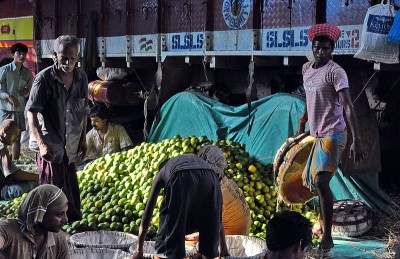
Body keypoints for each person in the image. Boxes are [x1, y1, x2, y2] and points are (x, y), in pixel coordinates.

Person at [296, 23, 365, 250]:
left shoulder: (336, 72)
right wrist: (302, 122)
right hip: (316, 134)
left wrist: (357, 140)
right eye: (318, 48)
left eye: (326, 49)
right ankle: (325, 222)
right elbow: (309, 98)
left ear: (331, 50)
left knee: (321, 181)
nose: (321, 52)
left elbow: (347, 105)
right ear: (312, 48)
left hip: (334, 133)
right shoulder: (307, 69)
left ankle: (328, 237)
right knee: (316, 184)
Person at [26, 35, 88, 222]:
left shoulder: (81, 78)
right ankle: (48, 232)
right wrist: (42, 144)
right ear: (55, 55)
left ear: (78, 57)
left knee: (70, 195)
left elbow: (83, 111)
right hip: (50, 147)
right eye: (63, 58)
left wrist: (83, 139)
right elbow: (32, 113)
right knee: (52, 196)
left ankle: (69, 231)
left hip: (70, 147)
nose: (68, 62)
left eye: (72, 58)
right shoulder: (43, 79)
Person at [132, 145, 229, 259]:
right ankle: (207, 254)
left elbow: (148, 212)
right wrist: (223, 247)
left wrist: (139, 249)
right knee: (209, 217)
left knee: (168, 223)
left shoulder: (163, 172)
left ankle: (168, 255)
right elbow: (216, 215)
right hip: (211, 176)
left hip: (182, 176)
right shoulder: (184, 162)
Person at [185, 145, 251, 244]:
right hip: (239, 237)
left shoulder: (218, 196)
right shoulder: (228, 183)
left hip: (230, 244)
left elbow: (203, 233)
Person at [0, 184, 70, 259]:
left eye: (65, 213)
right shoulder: (7, 230)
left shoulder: (59, 239)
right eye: (59, 214)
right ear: (40, 213)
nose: (66, 219)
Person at [0, 43, 32, 160]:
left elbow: (29, 89)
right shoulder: (4, 70)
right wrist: (8, 96)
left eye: (24, 54)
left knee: (16, 137)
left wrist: (26, 92)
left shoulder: (27, 73)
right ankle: (2, 162)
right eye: (19, 53)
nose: (22, 56)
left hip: (19, 109)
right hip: (5, 109)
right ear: (13, 55)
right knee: (2, 136)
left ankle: (15, 163)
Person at [0, 119, 38, 200]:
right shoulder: (1, 147)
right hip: (1, 189)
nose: (16, 138)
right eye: (15, 134)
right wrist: (39, 177)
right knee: (33, 184)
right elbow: (16, 175)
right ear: (5, 130)